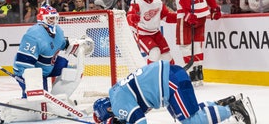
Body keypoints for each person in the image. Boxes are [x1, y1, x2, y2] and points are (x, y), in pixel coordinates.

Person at [92, 60, 257, 124]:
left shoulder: (119, 103)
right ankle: (222, 104)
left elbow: (140, 122)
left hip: (170, 82)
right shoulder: (117, 94)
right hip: (169, 79)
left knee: (192, 122)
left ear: (108, 111)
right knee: (190, 114)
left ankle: (233, 109)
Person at [12, 4, 89, 98]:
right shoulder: (33, 35)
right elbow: (24, 61)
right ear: (42, 19)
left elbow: (61, 43)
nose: (54, 21)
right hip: (30, 70)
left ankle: (59, 96)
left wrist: (75, 45)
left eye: (55, 18)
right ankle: (28, 106)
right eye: (50, 18)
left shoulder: (58, 30)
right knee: (37, 98)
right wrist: (31, 80)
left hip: (48, 66)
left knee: (66, 67)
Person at [164, 0, 221, 84]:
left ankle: (192, 74)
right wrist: (214, 8)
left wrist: (188, 12)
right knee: (197, 44)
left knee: (185, 45)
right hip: (202, 13)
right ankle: (199, 73)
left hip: (187, 14)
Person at [126, 0, 176, 65]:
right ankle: (151, 74)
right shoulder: (136, 2)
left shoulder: (157, 1)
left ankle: (172, 74)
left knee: (167, 56)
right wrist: (134, 18)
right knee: (155, 53)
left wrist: (181, 17)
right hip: (142, 34)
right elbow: (130, 17)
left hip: (156, 33)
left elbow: (166, 17)